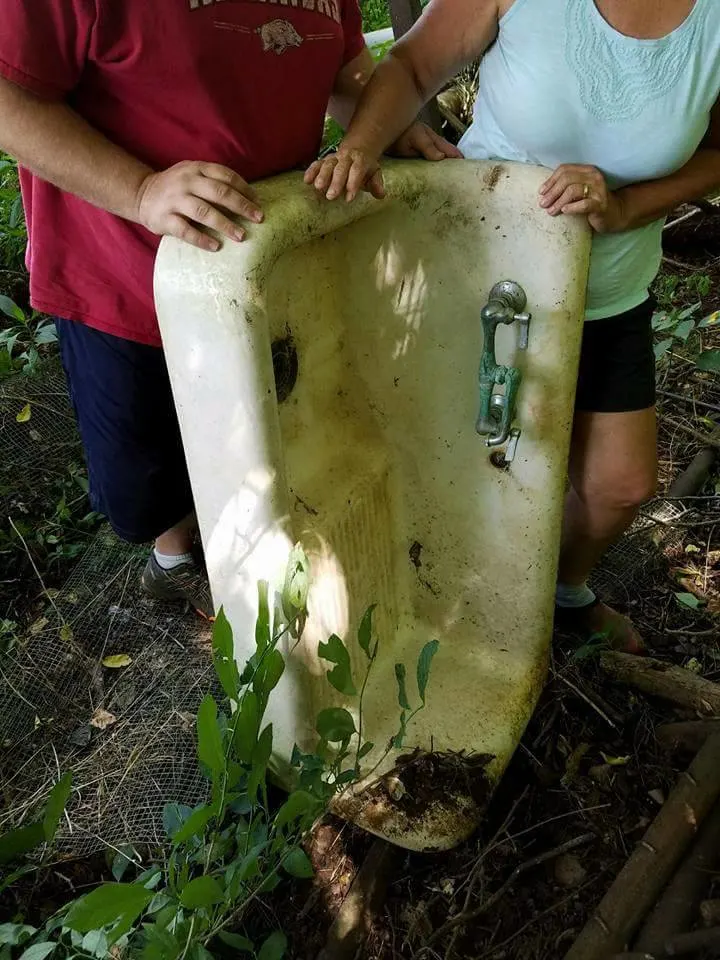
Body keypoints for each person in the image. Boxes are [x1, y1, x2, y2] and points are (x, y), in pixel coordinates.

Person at [0, 0, 459, 616]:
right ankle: (173, 557)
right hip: (124, 269)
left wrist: (376, 129)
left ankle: (239, 572)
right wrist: (139, 191)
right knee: (143, 483)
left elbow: (344, 73)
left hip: (264, 268)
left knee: (268, 438)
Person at [306, 0, 720, 651]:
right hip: (480, 276)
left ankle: (555, 593)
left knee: (620, 485)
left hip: (607, 292)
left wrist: (627, 204)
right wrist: (360, 147)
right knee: (468, 458)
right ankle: (433, 606)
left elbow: (718, 150)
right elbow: (413, 64)